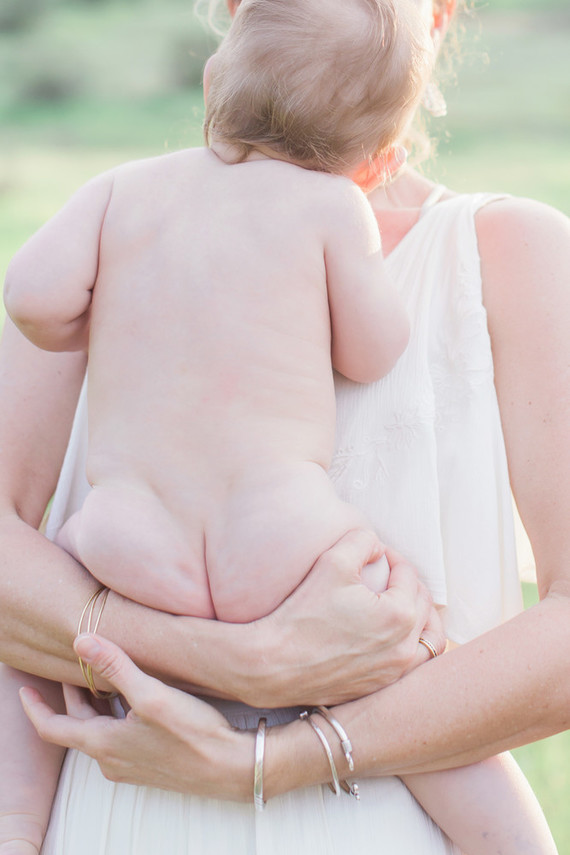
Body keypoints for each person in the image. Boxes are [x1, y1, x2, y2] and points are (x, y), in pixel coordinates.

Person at [0, 0, 568, 851]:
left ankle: (15, 823)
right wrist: (247, 661)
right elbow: (373, 350)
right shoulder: (327, 222)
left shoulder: (119, 209)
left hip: (130, 595)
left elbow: (32, 300)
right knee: (398, 636)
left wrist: (275, 757)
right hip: (170, 743)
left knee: (31, 677)